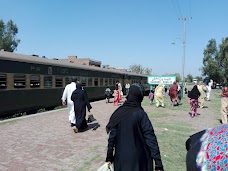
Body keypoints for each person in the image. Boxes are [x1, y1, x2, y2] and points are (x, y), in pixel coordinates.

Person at [105, 83, 164, 171]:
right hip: (139, 161)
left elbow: (111, 138)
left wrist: (109, 157)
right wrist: (158, 163)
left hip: (121, 159)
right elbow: (151, 139)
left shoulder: (118, 113)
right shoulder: (141, 114)